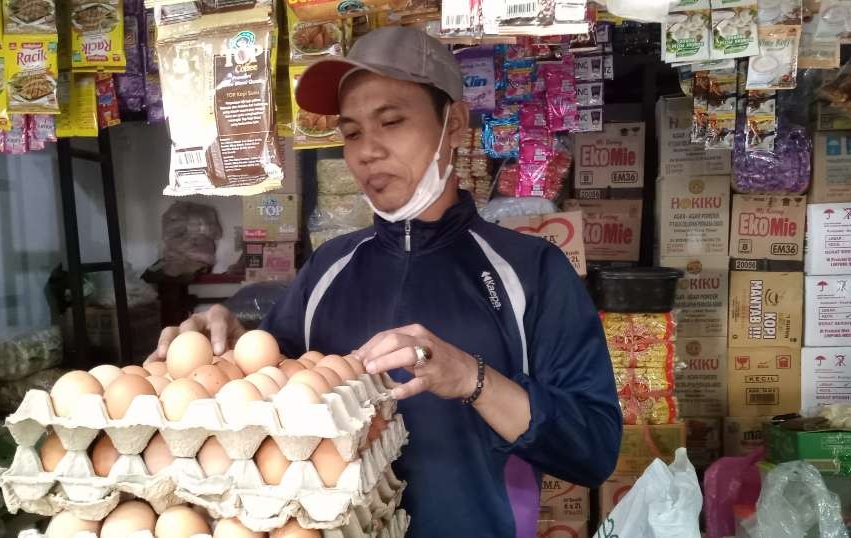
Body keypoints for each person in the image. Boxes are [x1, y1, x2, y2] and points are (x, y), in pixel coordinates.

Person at [150, 26, 622, 537]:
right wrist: (221, 350)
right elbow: (270, 380)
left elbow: (593, 452)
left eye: (392, 122)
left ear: (455, 124)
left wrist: (471, 378)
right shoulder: (329, 268)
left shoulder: (531, 272)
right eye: (351, 132)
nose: (366, 151)